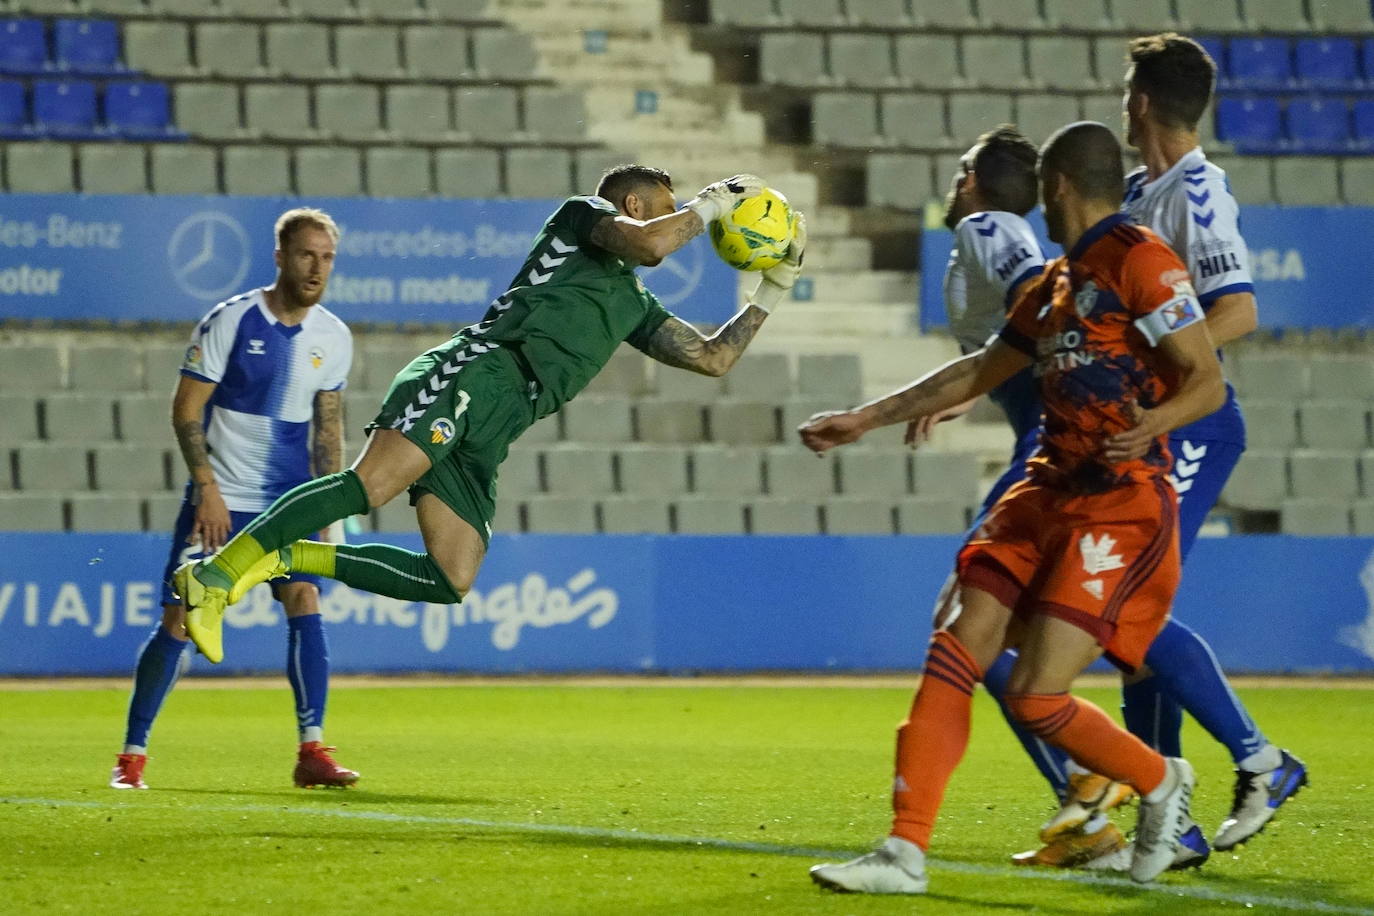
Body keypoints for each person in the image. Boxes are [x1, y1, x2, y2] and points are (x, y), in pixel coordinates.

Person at [803, 121, 1224, 894]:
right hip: (1043, 488)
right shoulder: (1053, 284)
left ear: (1058, 185)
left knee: (1036, 694)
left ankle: (1160, 780)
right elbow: (977, 369)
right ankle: (903, 851)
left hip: (1116, 501)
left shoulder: (1141, 261)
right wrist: (865, 417)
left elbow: (1208, 379)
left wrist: (1154, 424)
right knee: (957, 640)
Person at [170, 166, 806, 663]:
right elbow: (656, 242)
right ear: (632, 205)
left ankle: (282, 558)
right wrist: (717, 202)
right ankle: (216, 575)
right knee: (370, 487)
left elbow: (714, 357)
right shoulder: (583, 220)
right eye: (668, 206)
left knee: (451, 577)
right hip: (476, 371)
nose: (683, 219)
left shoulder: (634, 304)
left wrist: (773, 291)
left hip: (505, 419)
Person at [967, 34, 1306, 870]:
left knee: (1125, 611)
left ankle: (1261, 761)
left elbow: (1235, 312)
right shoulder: (1133, 192)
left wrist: (1147, 384)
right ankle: (1175, 811)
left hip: (1183, 422)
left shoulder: (1197, 191)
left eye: (1127, 91)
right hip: (1138, 424)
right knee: (1120, 617)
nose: (1123, 103)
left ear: (1141, 102)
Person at [111, 208, 358, 791]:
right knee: (180, 617)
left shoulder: (334, 337)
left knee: (303, 598)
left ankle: (312, 750)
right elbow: (186, 409)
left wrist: (329, 507)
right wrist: (208, 491)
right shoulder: (231, 320)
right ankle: (131, 758)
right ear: (279, 256)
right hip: (221, 502)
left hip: (288, 503)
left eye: (327, 258)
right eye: (306, 255)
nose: (317, 268)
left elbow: (328, 429)